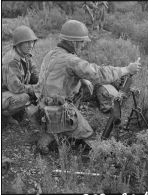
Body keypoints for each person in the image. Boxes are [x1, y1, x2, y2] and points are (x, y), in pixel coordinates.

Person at [35, 19, 141, 153]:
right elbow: (99, 73)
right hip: (57, 110)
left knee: (83, 86)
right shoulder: (71, 60)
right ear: (73, 42)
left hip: (41, 107)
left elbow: (58, 77)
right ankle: (54, 132)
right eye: (82, 41)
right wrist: (127, 69)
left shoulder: (52, 53)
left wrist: (83, 80)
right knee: (90, 137)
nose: (84, 45)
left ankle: (52, 128)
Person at [2, 25, 39, 125]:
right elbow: (16, 88)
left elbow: (35, 75)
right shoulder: (11, 60)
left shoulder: (26, 56)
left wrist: (42, 84)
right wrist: (36, 89)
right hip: (5, 93)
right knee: (25, 97)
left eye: (32, 42)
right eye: (27, 42)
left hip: (10, 92)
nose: (31, 45)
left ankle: (17, 112)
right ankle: (4, 117)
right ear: (18, 44)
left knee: (32, 93)